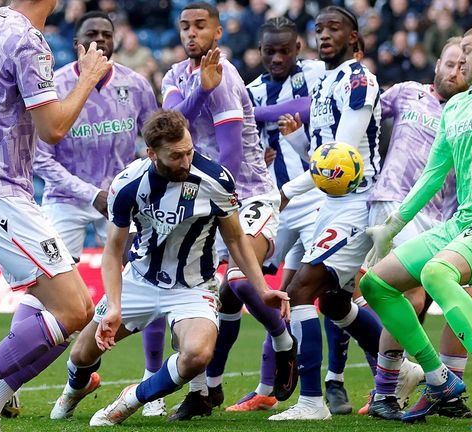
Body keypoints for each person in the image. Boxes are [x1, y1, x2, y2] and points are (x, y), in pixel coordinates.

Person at [0, 1, 112, 431]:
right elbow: (53, 128)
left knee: (79, 309)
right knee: (71, 310)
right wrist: (86, 78)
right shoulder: (30, 41)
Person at [48, 110, 290, 427]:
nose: (186, 161)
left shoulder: (216, 180)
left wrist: (261, 288)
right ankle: (73, 390)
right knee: (82, 356)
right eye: (175, 156)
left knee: (197, 355)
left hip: (193, 287)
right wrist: (115, 305)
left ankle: (131, 400)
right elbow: (112, 250)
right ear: (152, 153)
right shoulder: (127, 184)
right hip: (140, 280)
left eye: (189, 151)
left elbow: (235, 239)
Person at [360, 24, 472, 430]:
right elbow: (433, 176)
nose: (459, 59)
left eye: (467, 51)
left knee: (437, 273)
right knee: (375, 285)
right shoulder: (455, 107)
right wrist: (393, 224)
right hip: (461, 221)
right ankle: (439, 380)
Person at [160, 2, 297, 420]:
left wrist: (207, 87)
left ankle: (284, 342)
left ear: (218, 33)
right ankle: (205, 391)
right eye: (185, 27)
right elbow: (168, 126)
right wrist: (198, 89)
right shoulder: (174, 76)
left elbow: (233, 155)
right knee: (196, 302)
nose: (191, 34)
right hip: (197, 198)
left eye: (201, 26)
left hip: (246, 193)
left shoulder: (227, 76)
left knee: (239, 281)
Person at [31, 10, 167, 420]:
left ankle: (152, 382)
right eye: (92, 34)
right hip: (67, 198)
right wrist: (91, 194)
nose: (101, 40)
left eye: (107, 34)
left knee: (151, 280)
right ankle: (18, 380)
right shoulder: (54, 87)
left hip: (125, 199)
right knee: (43, 290)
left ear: (116, 40)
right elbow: (41, 156)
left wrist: (129, 189)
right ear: (77, 44)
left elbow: (155, 142)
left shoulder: (136, 84)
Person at [267, 6, 384, 421]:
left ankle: (312, 402)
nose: (324, 36)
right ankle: (410, 370)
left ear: (354, 38)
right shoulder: (326, 82)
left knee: (301, 291)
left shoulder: (357, 79)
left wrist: (284, 191)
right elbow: (323, 158)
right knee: (334, 302)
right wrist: (299, 141)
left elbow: (341, 161)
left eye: (334, 28)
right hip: (331, 201)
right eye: (319, 29)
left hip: (355, 201)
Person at [220, 16, 326, 413]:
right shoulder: (250, 89)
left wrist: (254, 114)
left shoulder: (316, 74)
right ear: (260, 51)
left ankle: (350, 383)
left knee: (325, 294)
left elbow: (305, 106)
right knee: (243, 287)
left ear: (299, 48)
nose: (277, 57)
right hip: (272, 203)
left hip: (316, 197)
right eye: (270, 51)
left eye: (285, 50)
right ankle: (266, 387)